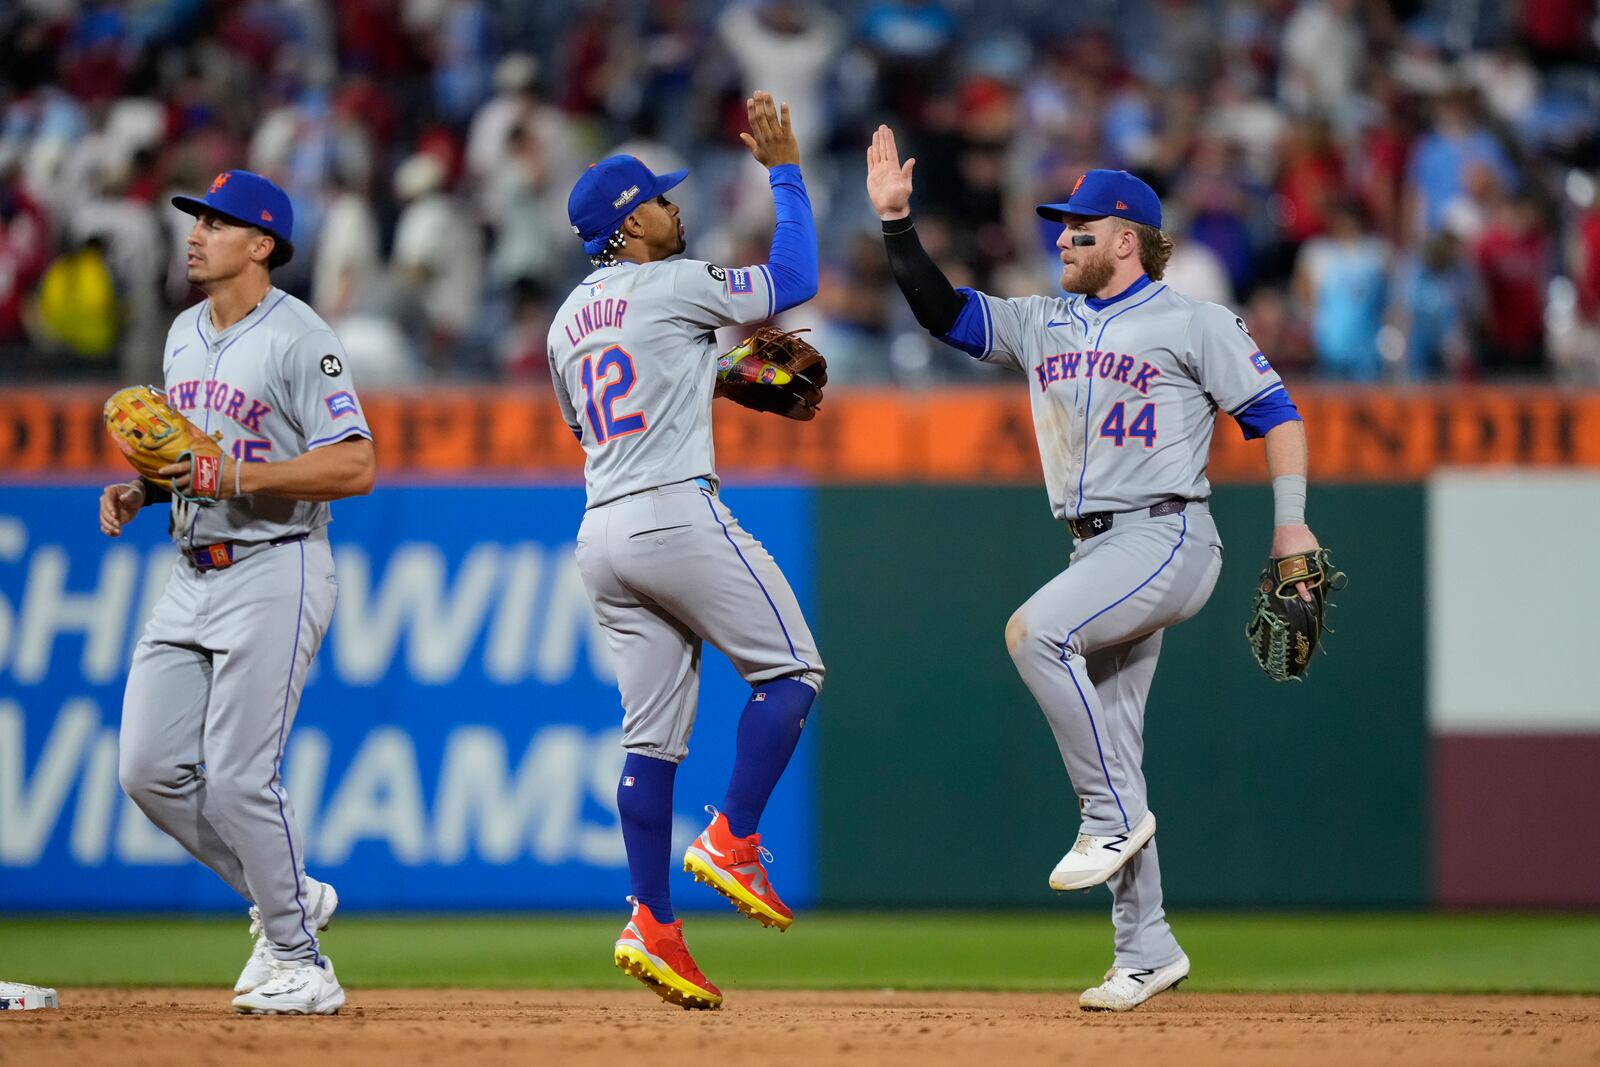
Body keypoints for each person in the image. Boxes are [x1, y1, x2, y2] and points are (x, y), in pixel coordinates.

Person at [866, 127, 1322, 1012]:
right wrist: (896, 227)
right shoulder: (1045, 321)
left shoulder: (1193, 319)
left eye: (1079, 224)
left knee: (1034, 633)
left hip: (1168, 534)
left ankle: (1109, 819)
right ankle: (1145, 948)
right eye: (1060, 223)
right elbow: (942, 311)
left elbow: (1276, 415)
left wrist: (1292, 526)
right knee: (1113, 743)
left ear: (1126, 237)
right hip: (1095, 545)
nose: (1062, 236)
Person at [546, 92, 824, 1011]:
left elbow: (603, 410)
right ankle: (733, 838)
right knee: (792, 671)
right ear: (631, 225)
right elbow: (795, 275)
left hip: (601, 530)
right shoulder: (672, 280)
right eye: (659, 199)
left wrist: (717, 377)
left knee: (650, 739)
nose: (674, 205)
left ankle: (652, 921)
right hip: (672, 512)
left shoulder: (561, 323)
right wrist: (784, 169)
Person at [100, 169, 376, 1016]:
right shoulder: (184, 332)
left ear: (261, 245)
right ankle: (289, 894)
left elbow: (356, 464)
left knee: (239, 777)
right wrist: (144, 491)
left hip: (277, 561)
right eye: (195, 219)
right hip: (190, 568)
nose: (194, 233)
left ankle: (302, 958)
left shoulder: (301, 337)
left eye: (215, 222)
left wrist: (239, 472)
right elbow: (192, 456)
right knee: (147, 768)